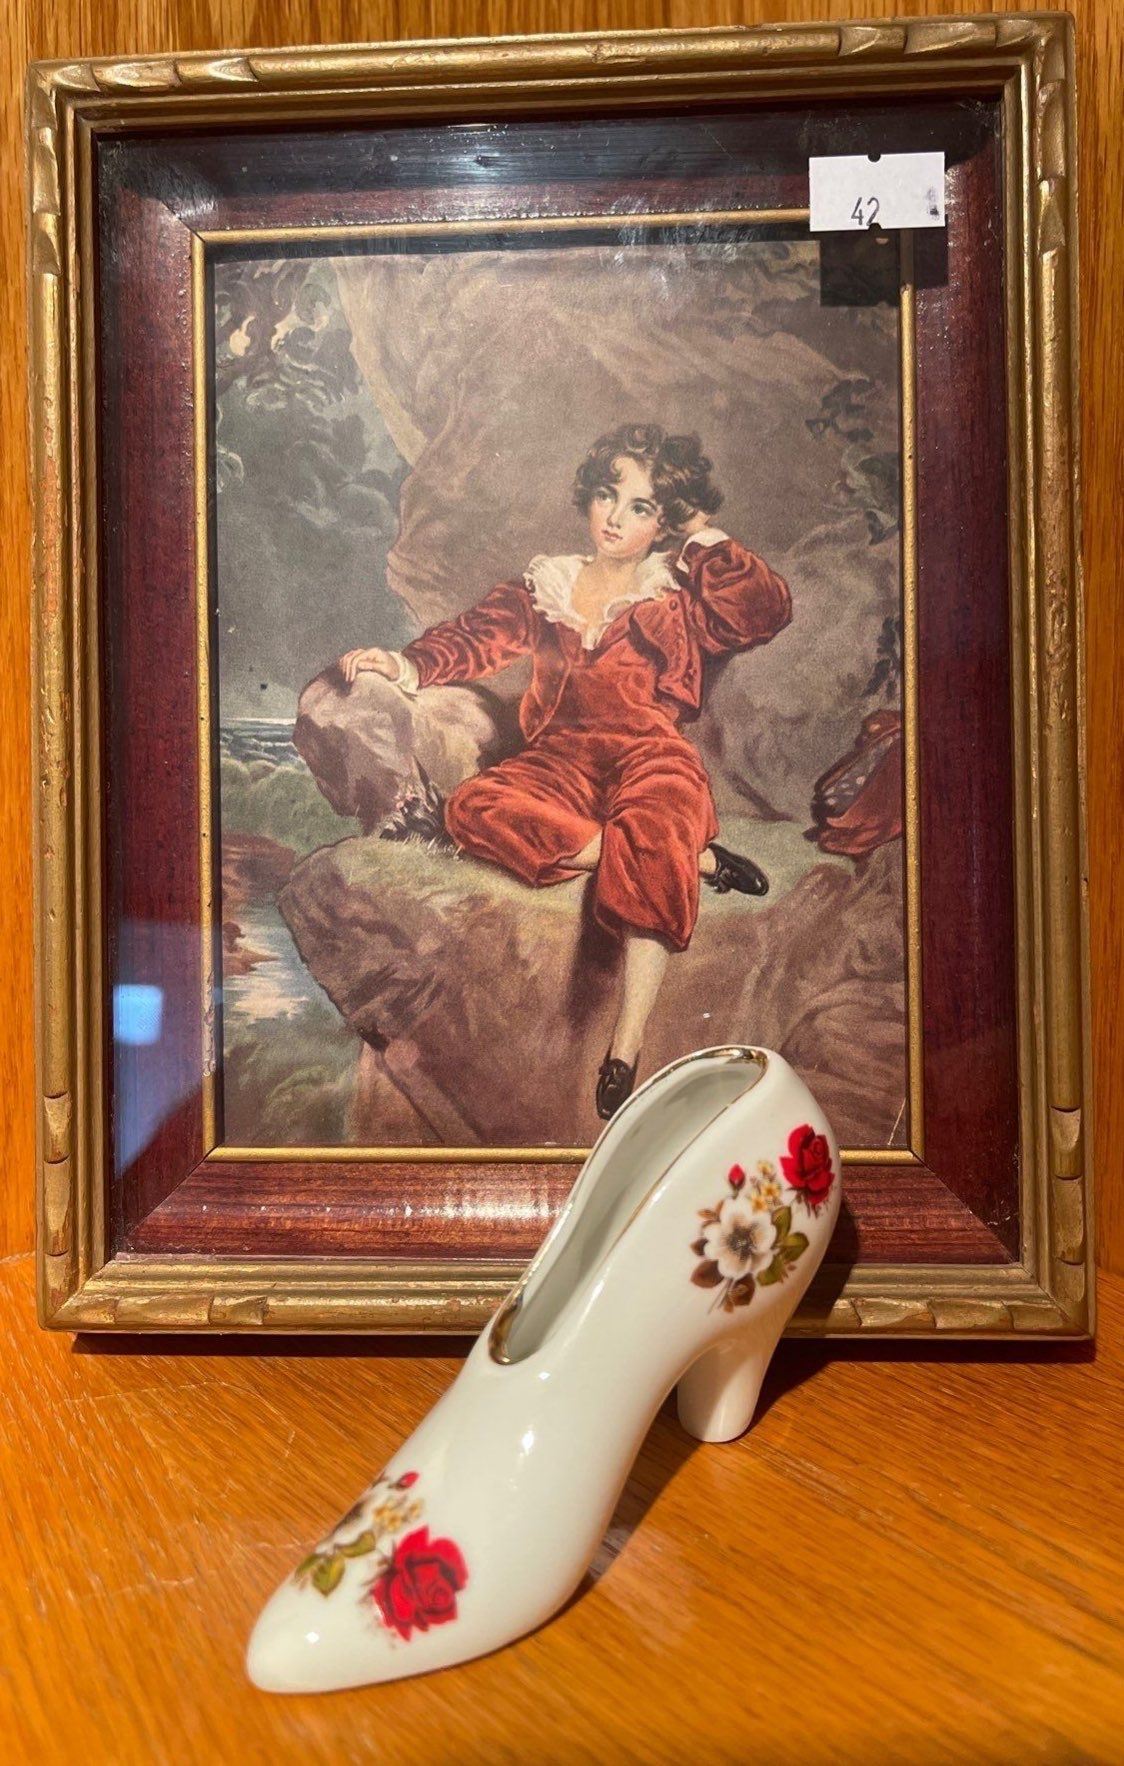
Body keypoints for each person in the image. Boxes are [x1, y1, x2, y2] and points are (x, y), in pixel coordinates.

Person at [339, 423, 791, 1118]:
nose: (614, 517)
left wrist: (700, 531)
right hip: (560, 760)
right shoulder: (546, 584)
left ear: (664, 521)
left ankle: (624, 1052)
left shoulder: (674, 595)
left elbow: (764, 610)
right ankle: (690, 860)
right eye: (608, 495)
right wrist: (402, 663)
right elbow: (475, 638)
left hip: (649, 752)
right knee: (473, 809)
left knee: (661, 812)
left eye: (641, 506)